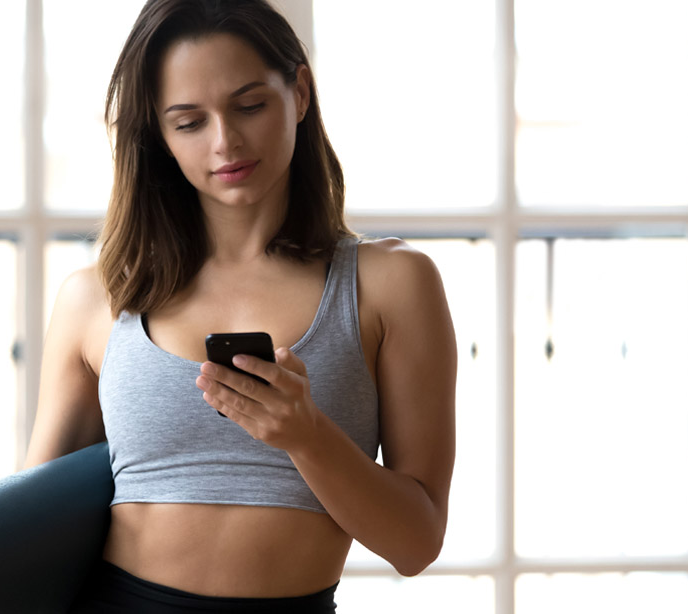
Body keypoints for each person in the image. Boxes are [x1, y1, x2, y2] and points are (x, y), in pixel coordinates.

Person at [24, 0, 457, 611]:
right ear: (158, 133)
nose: (225, 142)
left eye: (249, 105)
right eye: (188, 122)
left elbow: (417, 544)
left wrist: (307, 438)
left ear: (299, 93)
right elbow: (28, 527)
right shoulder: (97, 299)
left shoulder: (391, 285)